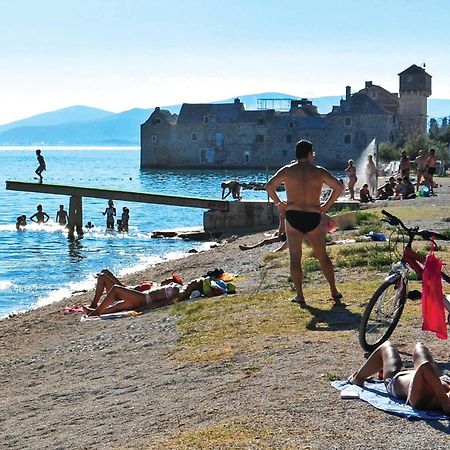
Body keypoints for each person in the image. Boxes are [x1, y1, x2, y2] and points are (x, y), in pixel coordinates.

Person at [265, 139, 344, 306]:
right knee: (322, 256)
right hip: (313, 216)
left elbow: (269, 186)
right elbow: (338, 187)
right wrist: (325, 207)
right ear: (309, 154)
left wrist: (280, 204)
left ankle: (300, 295)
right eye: (312, 153)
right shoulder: (319, 171)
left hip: (293, 215)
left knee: (295, 258)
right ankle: (334, 291)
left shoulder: (287, 170)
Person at [348, 341, 450, 413]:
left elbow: (425, 367)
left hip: (396, 380)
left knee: (387, 346)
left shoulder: (420, 400)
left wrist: (443, 399)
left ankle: (358, 378)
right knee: (419, 347)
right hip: (436, 377)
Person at [84, 269, 204, 316]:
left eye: (194, 282)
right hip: (142, 297)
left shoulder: (181, 294)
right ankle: (96, 311)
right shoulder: (179, 290)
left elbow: (165, 302)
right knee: (113, 308)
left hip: (145, 299)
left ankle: (96, 311)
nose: (192, 281)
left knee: (116, 289)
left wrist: (146, 308)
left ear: (193, 288)